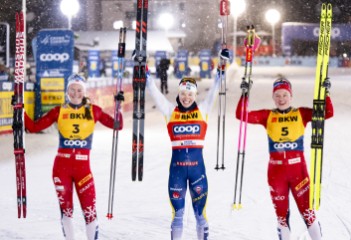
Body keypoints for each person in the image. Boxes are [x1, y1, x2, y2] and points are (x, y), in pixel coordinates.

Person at [24, 74, 124, 240]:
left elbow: (117, 125)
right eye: (72, 90)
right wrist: (19, 110)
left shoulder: (94, 110)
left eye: (79, 90)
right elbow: (33, 127)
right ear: (67, 91)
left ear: (84, 92)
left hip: (83, 170)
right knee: (67, 211)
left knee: (90, 212)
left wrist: (118, 106)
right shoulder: (59, 110)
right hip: (61, 168)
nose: (76, 93)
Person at [235, 77, 334, 240]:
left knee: (308, 213)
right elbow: (241, 115)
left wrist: (326, 93)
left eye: (285, 95)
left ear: (291, 96)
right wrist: (245, 94)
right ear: (273, 97)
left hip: (298, 172)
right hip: (276, 174)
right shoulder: (267, 115)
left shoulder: (301, 113)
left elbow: (327, 113)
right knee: (282, 217)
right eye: (278, 95)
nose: (281, 99)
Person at [146, 49, 229, 240]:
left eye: (190, 94)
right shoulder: (170, 111)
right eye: (183, 93)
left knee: (201, 216)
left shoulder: (203, 110)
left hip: (197, 172)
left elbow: (216, 86)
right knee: (177, 217)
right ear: (179, 94)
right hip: (177, 172)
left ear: (195, 95)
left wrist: (221, 65)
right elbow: (154, 91)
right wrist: (143, 67)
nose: (186, 97)